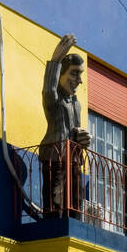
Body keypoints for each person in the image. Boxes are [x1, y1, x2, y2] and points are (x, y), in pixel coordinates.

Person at [40, 34, 91, 217]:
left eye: (80, 74)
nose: (79, 79)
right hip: (54, 156)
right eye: (74, 73)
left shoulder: (76, 104)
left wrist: (82, 138)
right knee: (54, 201)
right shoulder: (54, 100)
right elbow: (48, 90)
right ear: (61, 73)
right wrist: (55, 60)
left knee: (75, 200)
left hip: (74, 160)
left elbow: (75, 132)